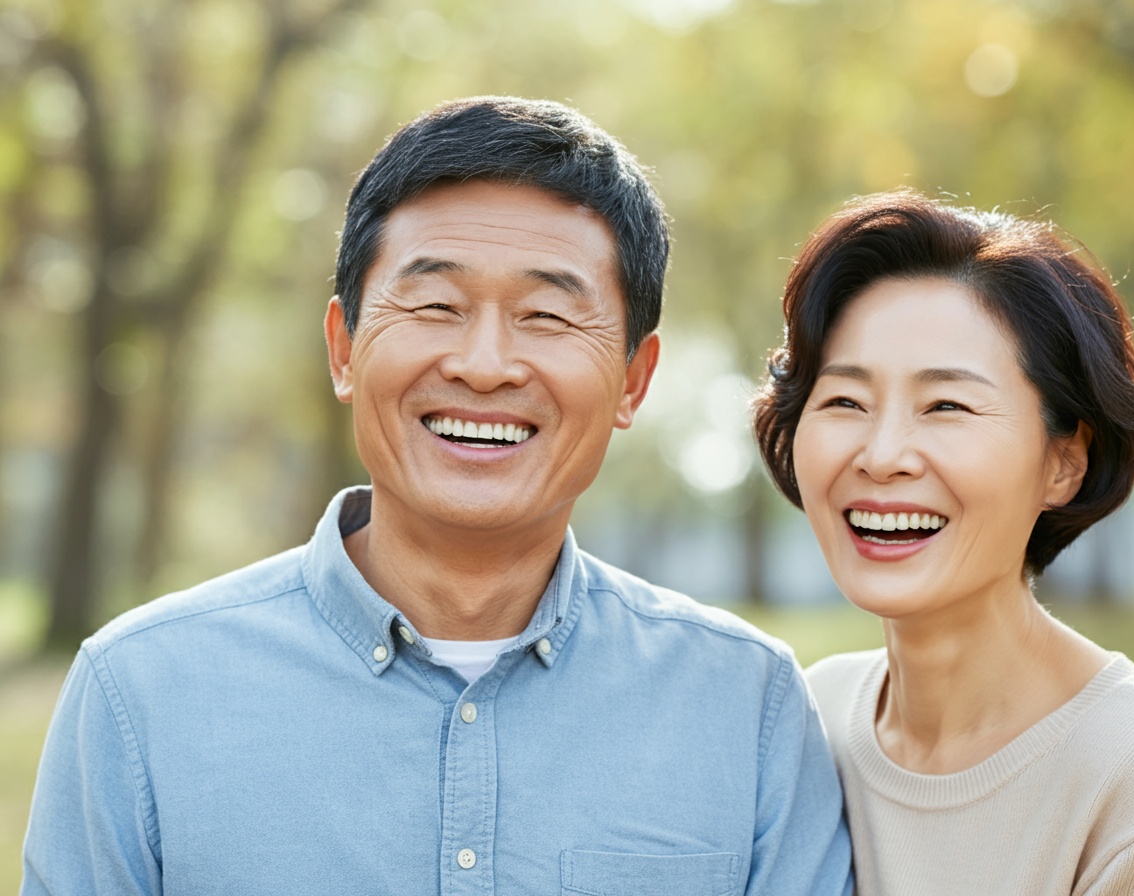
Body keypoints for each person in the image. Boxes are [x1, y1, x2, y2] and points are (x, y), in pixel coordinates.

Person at [23, 97, 853, 896]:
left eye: (547, 316)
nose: (484, 364)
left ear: (634, 379)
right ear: (344, 348)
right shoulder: (139, 692)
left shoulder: (748, 707)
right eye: (434, 304)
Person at [753, 191, 1134, 895]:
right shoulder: (809, 721)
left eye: (946, 406)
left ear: (1064, 461)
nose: (883, 456)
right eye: (845, 401)